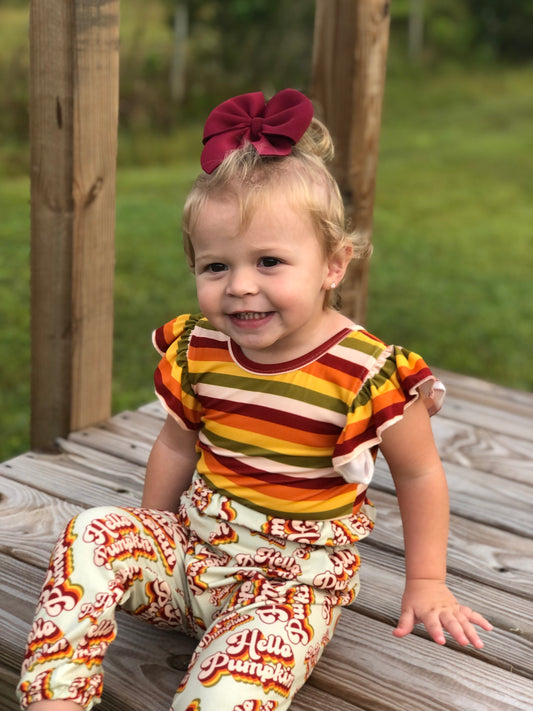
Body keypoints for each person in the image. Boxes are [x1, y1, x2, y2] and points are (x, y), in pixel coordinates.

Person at [18, 88, 492, 711]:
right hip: (191, 558)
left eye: (269, 261)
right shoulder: (202, 349)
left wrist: (427, 580)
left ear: (333, 264)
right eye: (216, 267)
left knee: (226, 694)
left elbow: (421, 473)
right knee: (91, 531)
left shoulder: (365, 373)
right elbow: (174, 444)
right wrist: (154, 534)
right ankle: (55, 698)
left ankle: (228, 664)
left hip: (284, 591)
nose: (241, 287)